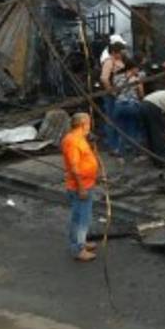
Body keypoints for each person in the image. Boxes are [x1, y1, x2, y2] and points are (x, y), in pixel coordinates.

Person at [61, 112, 99, 263]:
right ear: (83, 124)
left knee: (83, 217)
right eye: (89, 123)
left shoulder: (80, 138)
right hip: (80, 187)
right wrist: (81, 188)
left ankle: (81, 243)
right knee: (81, 220)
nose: (90, 126)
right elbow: (75, 167)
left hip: (87, 183)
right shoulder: (73, 141)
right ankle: (78, 249)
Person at [110, 58, 144, 157]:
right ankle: (136, 151)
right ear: (133, 68)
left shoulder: (117, 77)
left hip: (119, 105)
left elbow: (115, 91)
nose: (138, 70)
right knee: (134, 128)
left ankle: (119, 151)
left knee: (120, 129)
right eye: (137, 68)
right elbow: (141, 94)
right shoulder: (137, 79)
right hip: (132, 106)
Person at [98, 42, 126, 154]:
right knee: (111, 119)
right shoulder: (109, 62)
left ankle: (120, 145)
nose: (122, 54)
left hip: (120, 94)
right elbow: (104, 78)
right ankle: (112, 145)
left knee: (119, 119)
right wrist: (111, 91)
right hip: (112, 96)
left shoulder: (120, 61)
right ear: (114, 52)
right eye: (120, 52)